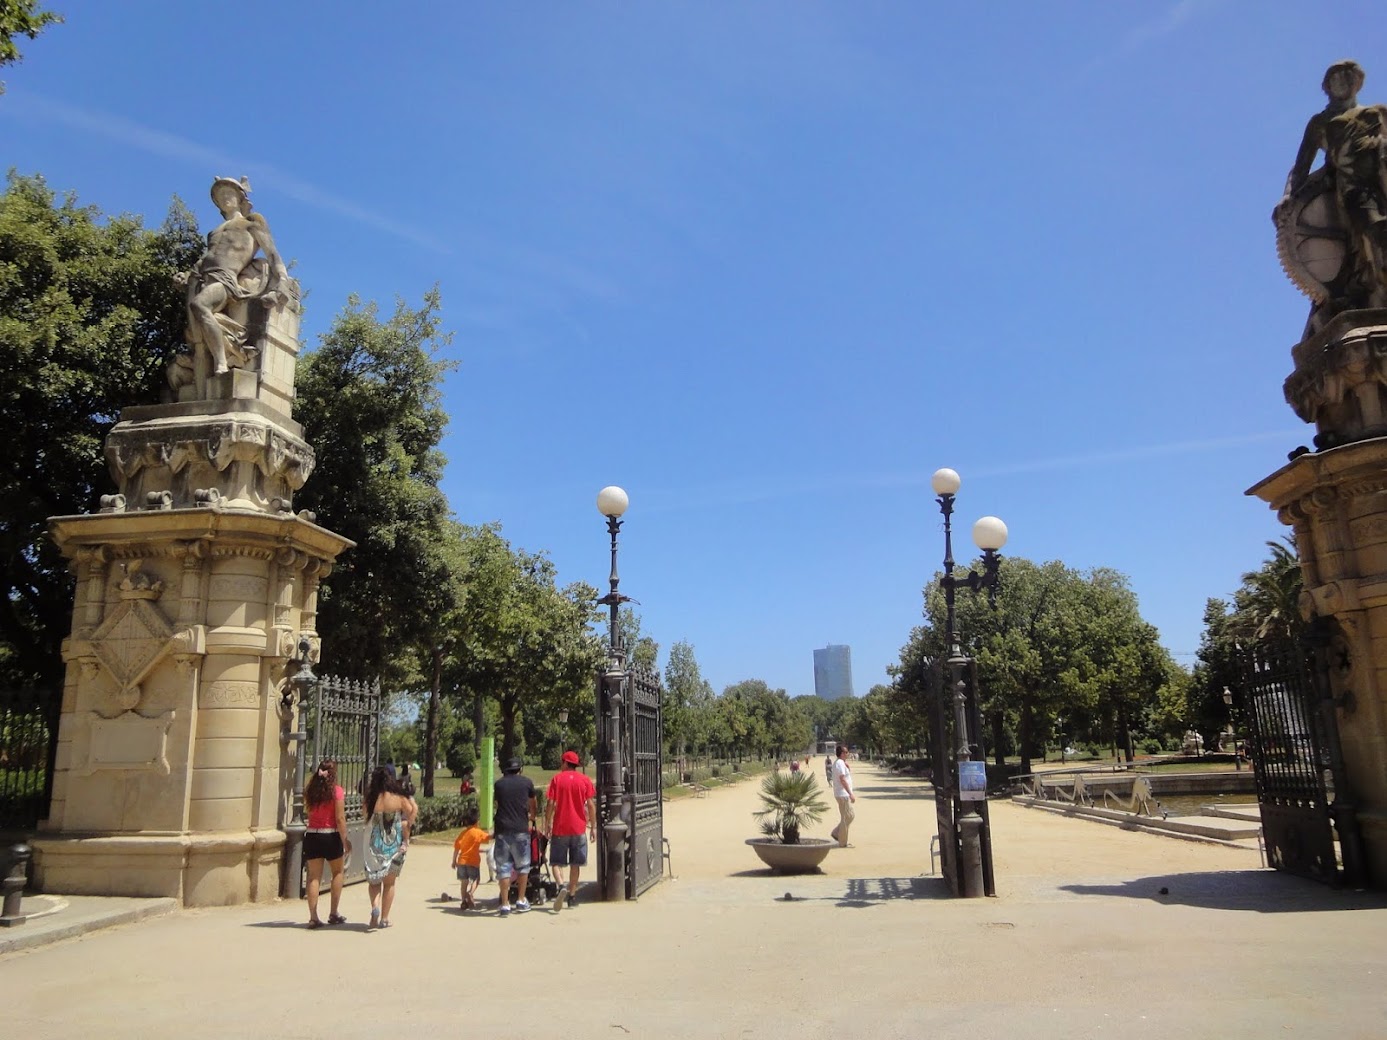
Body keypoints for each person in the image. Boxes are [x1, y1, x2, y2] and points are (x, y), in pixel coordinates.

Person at [180, 176, 289, 375]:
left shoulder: (251, 222)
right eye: (220, 196)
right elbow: (206, 258)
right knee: (194, 335)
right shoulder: (214, 232)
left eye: (229, 193)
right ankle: (211, 362)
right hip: (202, 278)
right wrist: (186, 275)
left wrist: (282, 280)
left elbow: (272, 253)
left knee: (200, 305)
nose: (225, 198)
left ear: (240, 197)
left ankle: (222, 362)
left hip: (226, 279)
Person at [362, 764, 417, 929]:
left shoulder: (371, 798)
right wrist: (407, 825)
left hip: (373, 842)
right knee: (390, 883)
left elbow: (365, 815)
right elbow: (411, 810)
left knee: (374, 881)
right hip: (393, 841)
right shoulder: (398, 797)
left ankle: (375, 907)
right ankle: (384, 918)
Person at [544, 750, 597, 912]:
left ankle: (561, 885)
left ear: (566, 763)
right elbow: (590, 804)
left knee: (555, 862)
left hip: (560, 828)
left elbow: (551, 804)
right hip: (579, 828)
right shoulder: (585, 780)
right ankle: (572, 896)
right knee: (576, 863)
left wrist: (547, 823)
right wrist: (593, 826)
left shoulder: (557, 779)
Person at [303, 758, 351, 928]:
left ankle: (313, 916)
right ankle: (333, 912)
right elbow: (339, 818)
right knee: (337, 873)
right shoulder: (336, 791)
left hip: (312, 835)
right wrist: (345, 840)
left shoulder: (310, 790)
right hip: (330, 835)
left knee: (313, 877)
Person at [493, 756, 537, 917]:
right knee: (523, 866)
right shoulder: (527, 782)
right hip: (520, 828)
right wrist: (532, 817)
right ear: (520, 769)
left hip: (502, 829)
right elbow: (533, 803)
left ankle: (505, 904)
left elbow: (497, 804)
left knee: (503, 867)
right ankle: (520, 899)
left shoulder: (499, 784)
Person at [451, 805, 490, 911]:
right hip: (473, 861)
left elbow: (456, 848)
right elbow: (487, 838)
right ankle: (471, 893)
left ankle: (463, 901)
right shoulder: (477, 832)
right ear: (476, 821)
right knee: (476, 879)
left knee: (464, 882)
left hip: (461, 861)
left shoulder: (462, 834)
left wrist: (454, 861)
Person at [829, 744, 856, 848]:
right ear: (841, 753)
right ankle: (842, 841)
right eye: (846, 752)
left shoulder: (840, 763)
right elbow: (842, 779)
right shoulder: (839, 763)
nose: (847, 754)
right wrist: (850, 794)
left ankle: (837, 833)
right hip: (842, 794)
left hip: (842, 793)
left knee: (848, 816)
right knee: (847, 817)